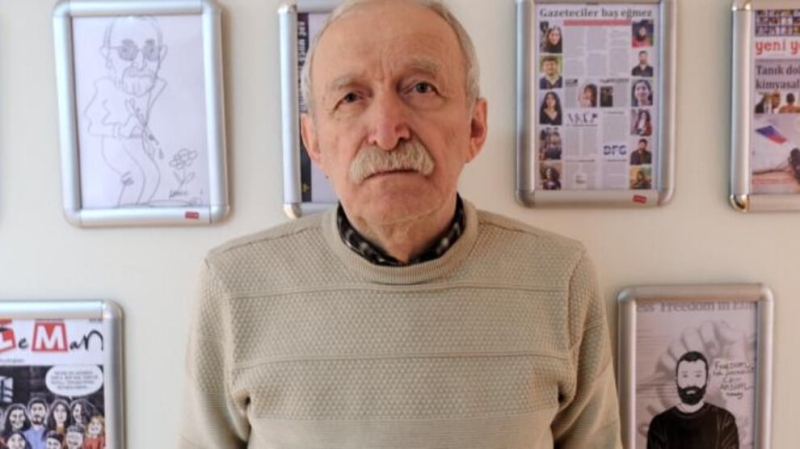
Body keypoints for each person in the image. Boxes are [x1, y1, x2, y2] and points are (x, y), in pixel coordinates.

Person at [180, 1, 622, 448]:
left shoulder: (560, 278)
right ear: (314, 142)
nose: (387, 132)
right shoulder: (234, 285)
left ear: (475, 126)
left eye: (421, 88)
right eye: (350, 98)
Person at [84, 16, 169, 207]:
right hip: (116, 145)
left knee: (153, 176)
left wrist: (151, 141)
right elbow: (92, 125)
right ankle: (124, 212)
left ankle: (142, 215)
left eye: (150, 52)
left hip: (139, 145)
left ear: (161, 54)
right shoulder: (104, 88)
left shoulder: (154, 89)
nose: (140, 63)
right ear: (107, 55)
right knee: (135, 177)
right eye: (126, 52)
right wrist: (119, 130)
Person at [647, 351, 739, 449]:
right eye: (685, 376)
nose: (690, 383)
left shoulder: (724, 420)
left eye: (697, 375)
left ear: (707, 380)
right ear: (676, 380)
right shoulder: (660, 423)